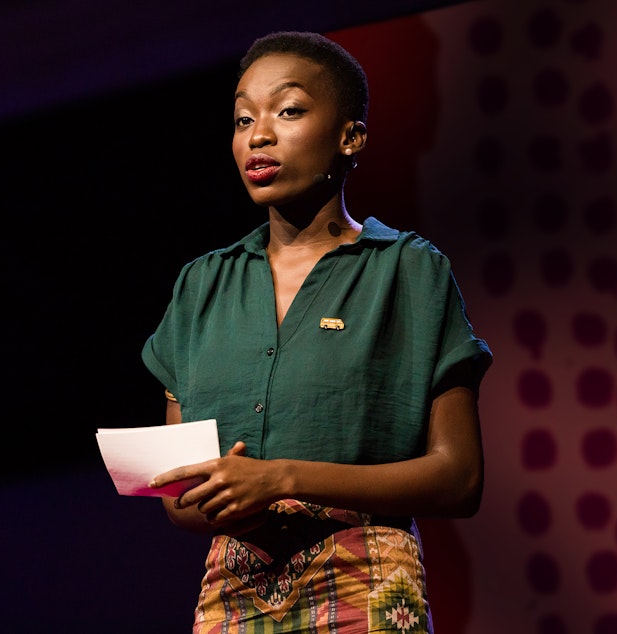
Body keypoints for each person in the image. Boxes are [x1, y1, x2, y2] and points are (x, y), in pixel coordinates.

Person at [141, 31, 492, 633]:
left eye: (289, 110)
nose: (259, 134)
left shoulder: (408, 270)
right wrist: (222, 499)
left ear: (350, 137)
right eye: (242, 117)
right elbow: (181, 499)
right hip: (234, 597)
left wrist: (282, 478)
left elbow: (459, 478)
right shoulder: (201, 286)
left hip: (364, 585)